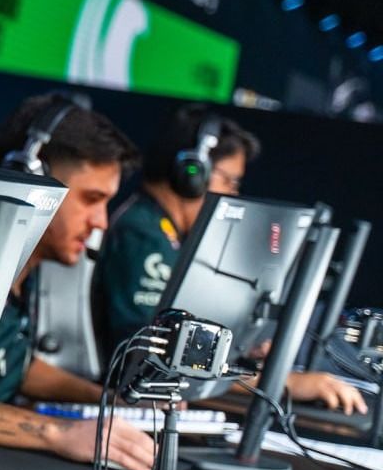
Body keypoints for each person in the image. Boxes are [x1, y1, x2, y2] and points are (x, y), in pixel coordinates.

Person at [93, 105, 367, 415]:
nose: (233, 195)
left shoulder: (165, 234)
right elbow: (152, 354)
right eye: (230, 181)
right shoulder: (143, 235)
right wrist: (281, 382)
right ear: (192, 174)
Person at [0, 94, 159, 470]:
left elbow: (10, 366)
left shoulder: (27, 272)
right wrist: (58, 432)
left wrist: (110, 401)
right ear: (30, 181)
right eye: (91, 199)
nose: (102, 222)